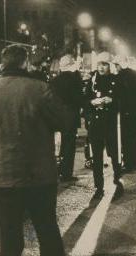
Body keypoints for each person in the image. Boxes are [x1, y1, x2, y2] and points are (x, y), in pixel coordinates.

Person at [0, 45, 72, 256]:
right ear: (25, 63)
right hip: (39, 175)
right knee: (46, 224)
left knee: (9, 230)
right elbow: (64, 122)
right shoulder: (40, 89)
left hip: (3, 175)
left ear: (3, 64)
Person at [85, 55, 124, 199]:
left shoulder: (116, 80)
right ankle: (98, 187)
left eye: (104, 64)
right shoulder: (93, 80)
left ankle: (117, 181)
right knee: (96, 156)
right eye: (99, 64)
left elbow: (124, 100)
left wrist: (112, 100)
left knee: (115, 154)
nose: (101, 67)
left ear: (110, 66)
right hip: (96, 123)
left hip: (111, 123)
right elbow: (85, 99)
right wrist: (92, 102)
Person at [50, 54, 83, 182]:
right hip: (70, 115)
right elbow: (78, 98)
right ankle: (66, 173)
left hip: (57, 115)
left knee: (57, 145)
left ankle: (57, 170)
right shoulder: (74, 79)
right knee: (69, 145)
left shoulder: (55, 81)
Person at [114, 58, 136, 172]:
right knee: (134, 136)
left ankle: (128, 164)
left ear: (120, 65)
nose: (116, 68)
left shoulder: (121, 76)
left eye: (117, 65)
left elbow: (121, 95)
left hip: (126, 111)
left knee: (126, 138)